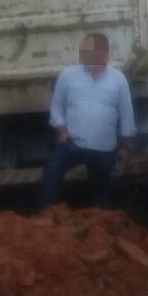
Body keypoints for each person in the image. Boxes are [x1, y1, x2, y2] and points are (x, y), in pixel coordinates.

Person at [40, 32, 135, 210]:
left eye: (89, 51)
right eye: (83, 50)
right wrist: (62, 129)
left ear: (103, 53)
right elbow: (56, 107)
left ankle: (102, 218)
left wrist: (125, 146)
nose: (83, 54)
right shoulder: (68, 76)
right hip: (73, 144)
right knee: (51, 171)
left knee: (103, 192)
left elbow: (126, 114)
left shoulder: (118, 79)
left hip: (103, 148)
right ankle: (46, 212)